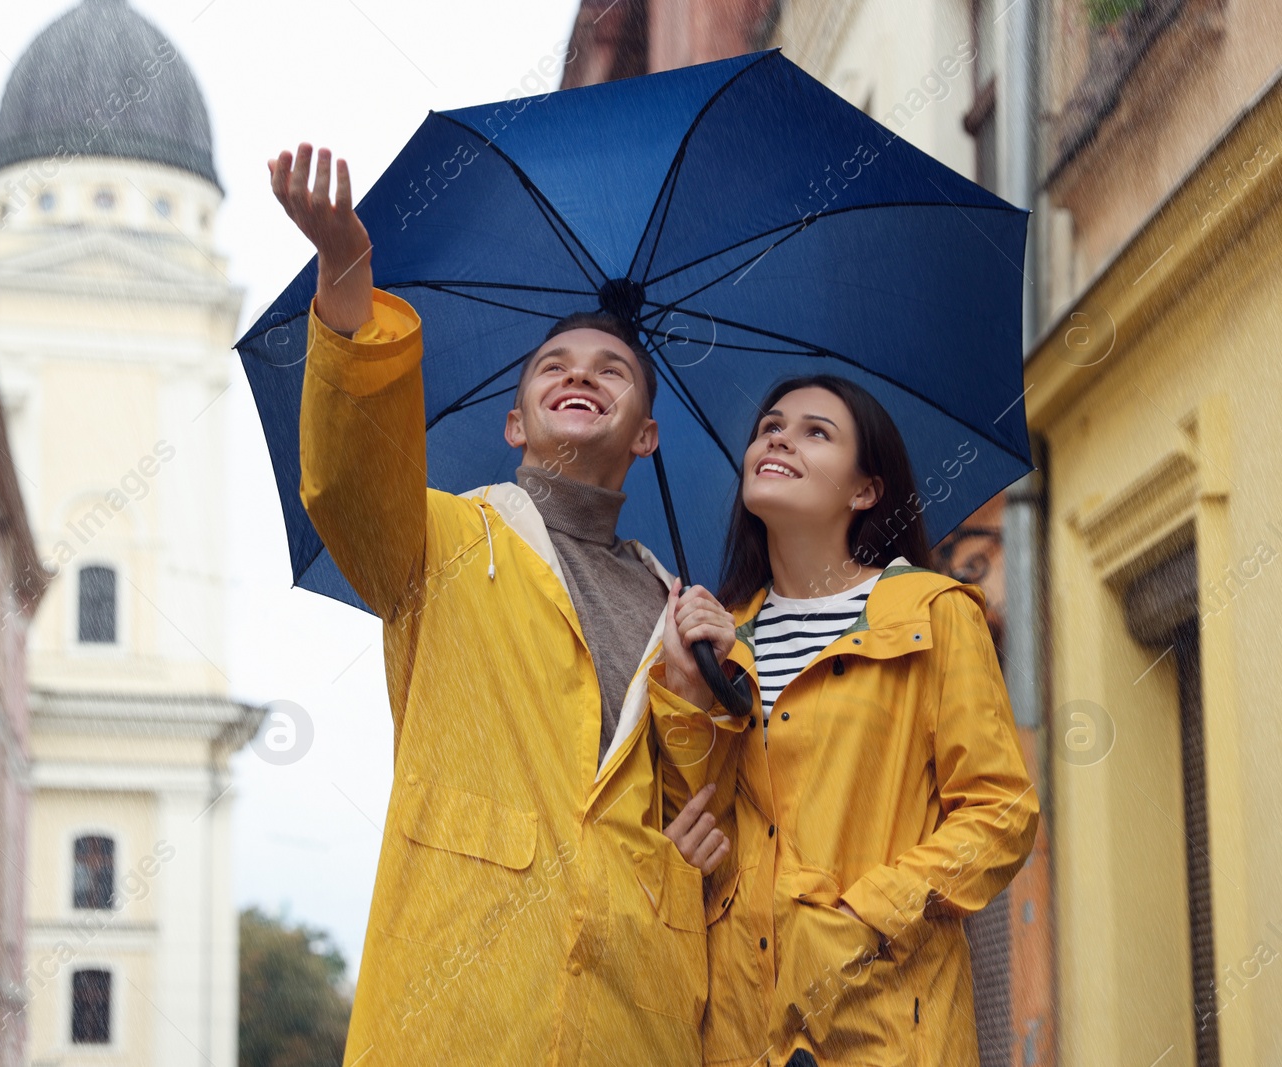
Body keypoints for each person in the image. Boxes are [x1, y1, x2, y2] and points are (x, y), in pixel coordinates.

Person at [271, 142, 731, 1065]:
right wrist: (348, 278)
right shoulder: (440, 541)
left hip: (635, 1017)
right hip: (460, 1007)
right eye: (555, 363)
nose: (582, 373)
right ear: (515, 423)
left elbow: (702, 813)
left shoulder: (679, 607)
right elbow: (351, 484)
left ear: (646, 433)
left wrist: (700, 704)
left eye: (612, 369)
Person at [652, 374, 1040, 1066]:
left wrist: (865, 916)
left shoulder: (931, 611)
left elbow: (1000, 812)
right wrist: (688, 690)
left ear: (865, 490)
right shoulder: (719, 643)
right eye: (770, 425)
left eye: (815, 431)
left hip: (884, 1025)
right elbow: (691, 821)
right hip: (735, 1032)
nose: (779, 436)